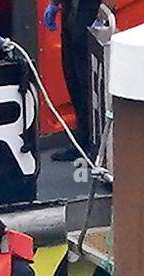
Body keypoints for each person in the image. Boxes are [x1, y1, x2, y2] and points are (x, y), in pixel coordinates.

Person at [43, 0, 103, 162]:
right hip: (72, 11)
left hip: (89, 10)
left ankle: (96, 144)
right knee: (73, 79)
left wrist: (103, 13)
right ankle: (82, 141)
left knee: (87, 83)